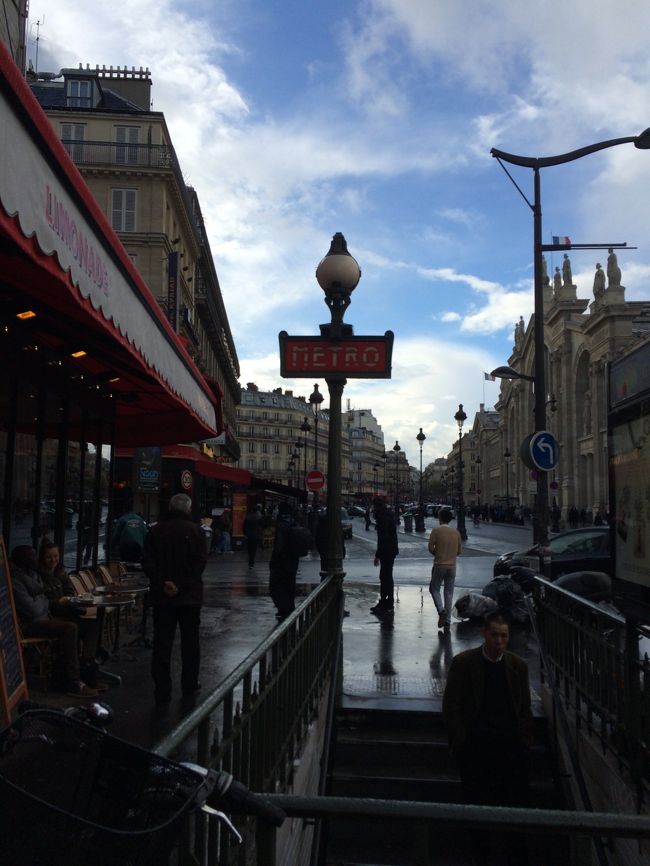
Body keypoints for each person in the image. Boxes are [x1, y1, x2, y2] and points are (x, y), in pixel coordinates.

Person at [442, 609, 533, 865]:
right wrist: (461, 743)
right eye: (495, 635)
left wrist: (524, 742)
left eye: (503, 636)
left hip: (509, 749)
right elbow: (452, 706)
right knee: (479, 806)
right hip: (477, 748)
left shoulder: (517, 666)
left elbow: (524, 708)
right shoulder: (464, 664)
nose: (499, 641)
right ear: (484, 634)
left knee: (513, 806)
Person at [142, 493, 208, 706]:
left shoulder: (155, 530)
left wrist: (163, 583)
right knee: (190, 643)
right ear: (188, 509)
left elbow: (148, 561)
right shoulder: (197, 531)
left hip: (163, 597)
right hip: (189, 597)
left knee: (162, 644)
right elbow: (198, 565)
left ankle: (162, 687)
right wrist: (180, 585)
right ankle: (189, 682)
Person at [10, 545, 98, 697]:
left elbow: (42, 599)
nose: (34, 559)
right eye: (30, 556)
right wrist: (42, 602)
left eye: (35, 555)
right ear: (21, 560)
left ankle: (87, 668)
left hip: (46, 616)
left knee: (90, 623)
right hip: (32, 624)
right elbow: (32, 609)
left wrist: (41, 601)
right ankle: (73, 681)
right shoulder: (15, 581)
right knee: (70, 628)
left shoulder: (34, 575)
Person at [37, 538, 101, 676]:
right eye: (49, 557)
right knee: (74, 627)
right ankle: (74, 671)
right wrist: (58, 601)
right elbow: (41, 600)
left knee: (92, 623)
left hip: (65, 610)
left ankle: (87, 662)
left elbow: (69, 590)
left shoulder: (60, 571)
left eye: (56, 556)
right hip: (52, 614)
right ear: (42, 558)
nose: (53, 560)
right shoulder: (39, 576)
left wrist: (67, 598)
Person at [428, 506, 462, 629]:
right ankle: (447, 620)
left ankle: (441, 611)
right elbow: (459, 551)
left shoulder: (436, 531)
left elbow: (431, 548)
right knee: (449, 592)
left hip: (439, 565)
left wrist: (438, 553)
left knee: (434, 589)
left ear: (440, 518)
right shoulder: (456, 532)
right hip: (452, 566)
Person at [268, 501, 300, 619]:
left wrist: (273, 561)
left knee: (277, 586)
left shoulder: (281, 526)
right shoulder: (294, 523)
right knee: (289, 585)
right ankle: (290, 608)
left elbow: (279, 547)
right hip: (293, 561)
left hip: (282, 562)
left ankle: (284, 610)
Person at [371, 497, 398, 613]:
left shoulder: (382, 518)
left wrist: (378, 555)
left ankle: (385, 603)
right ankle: (388, 602)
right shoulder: (387, 515)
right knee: (387, 576)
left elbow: (383, 538)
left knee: (384, 576)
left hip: (387, 551)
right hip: (391, 550)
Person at [243, 503, 264, 568]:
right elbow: (263, 525)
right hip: (256, 535)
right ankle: (251, 562)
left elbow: (244, 526)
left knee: (249, 549)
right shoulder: (259, 517)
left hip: (249, 535)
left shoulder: (247, 516)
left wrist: (245, 534)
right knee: (254, 549)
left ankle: (250, 560)